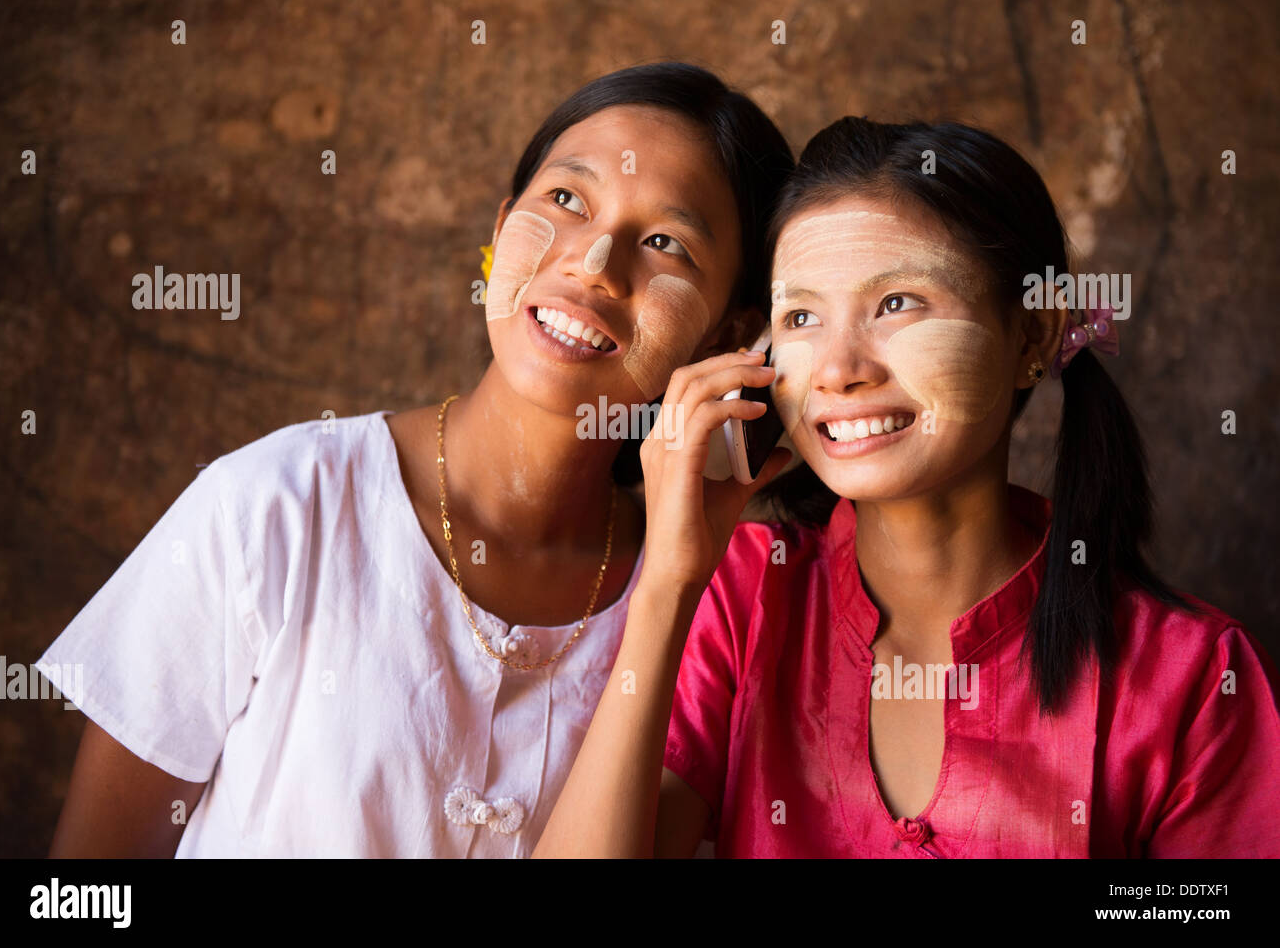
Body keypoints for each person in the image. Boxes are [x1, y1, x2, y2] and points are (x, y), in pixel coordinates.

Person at [35, 62, 794, 857]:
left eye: (665, 242)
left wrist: (671, 588)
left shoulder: (714, 614)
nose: (594, 264)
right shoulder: (273, 508)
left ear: (731, 338)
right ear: (501, 234)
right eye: (566, 200)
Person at [534, 116, 1280, 858]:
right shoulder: (745, 594)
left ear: (1033, 336)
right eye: (801, 317)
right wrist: (667, 582)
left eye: (897, 303)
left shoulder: (1196, 679)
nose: (837, 368)